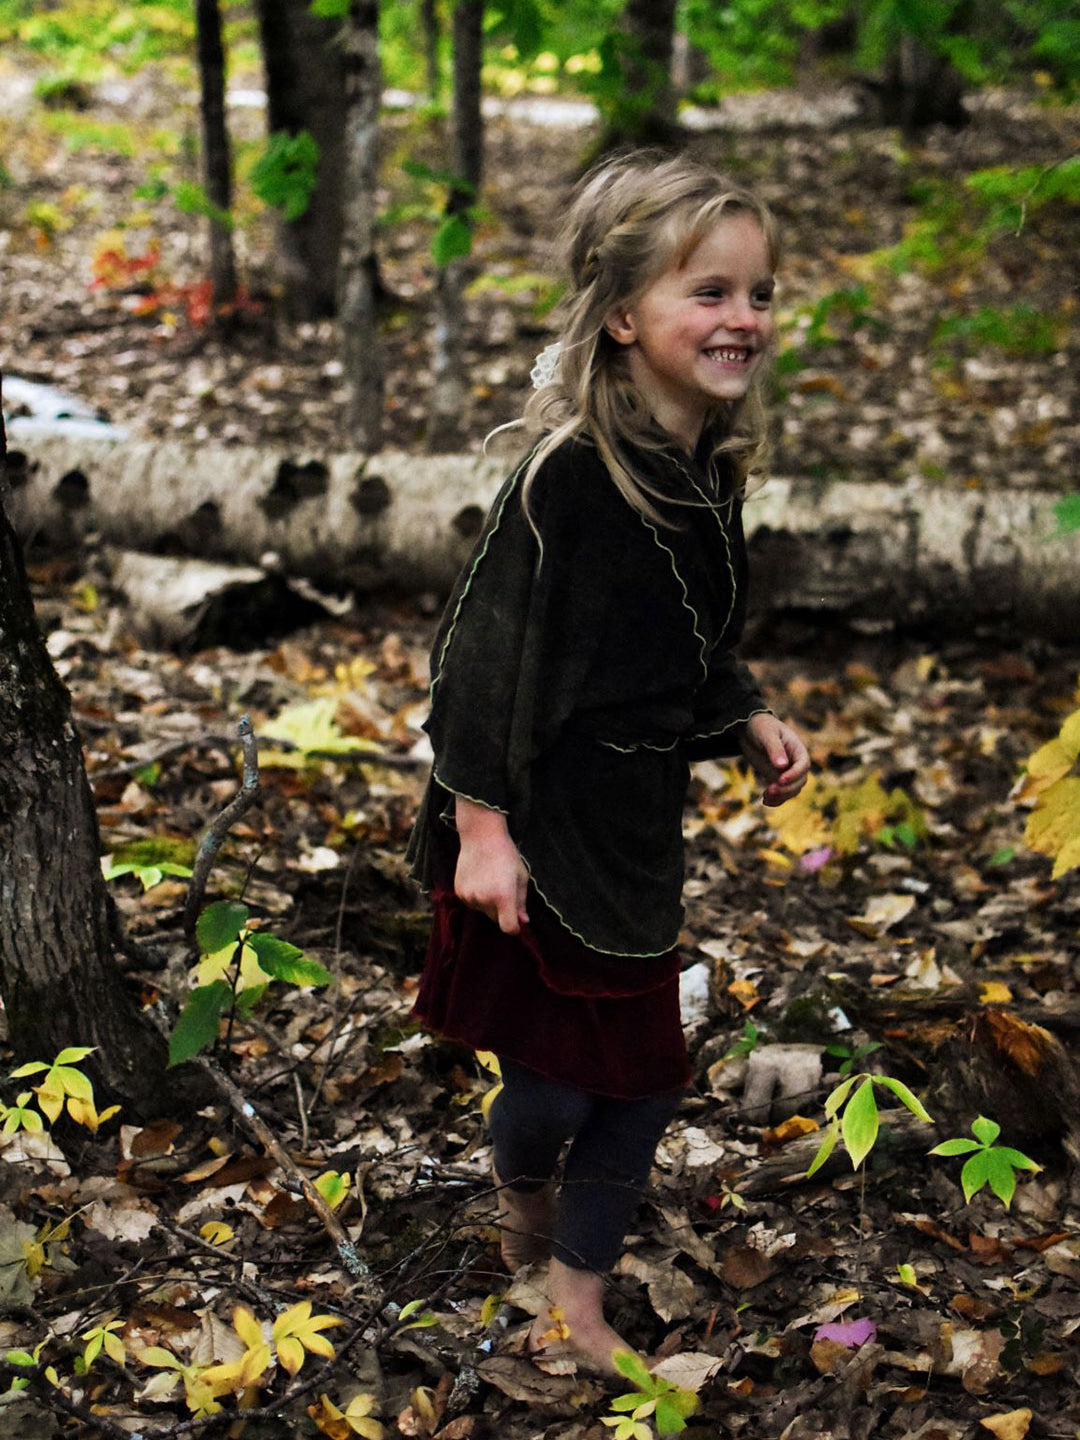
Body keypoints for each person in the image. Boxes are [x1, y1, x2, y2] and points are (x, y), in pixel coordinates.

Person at [407, 151, 810, 1374]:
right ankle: (523, 1191)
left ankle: (574, 1298)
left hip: (634, 832)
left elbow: (688, 644)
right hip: (533, 826)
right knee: (552, 1086)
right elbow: (475, 660)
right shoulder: (572, 480)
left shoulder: (708, 476)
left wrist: (742, 715)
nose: (742, 318)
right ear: (625, 316)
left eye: (760, 295)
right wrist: (481, 830)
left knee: (640, 1077)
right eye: (711, 292)